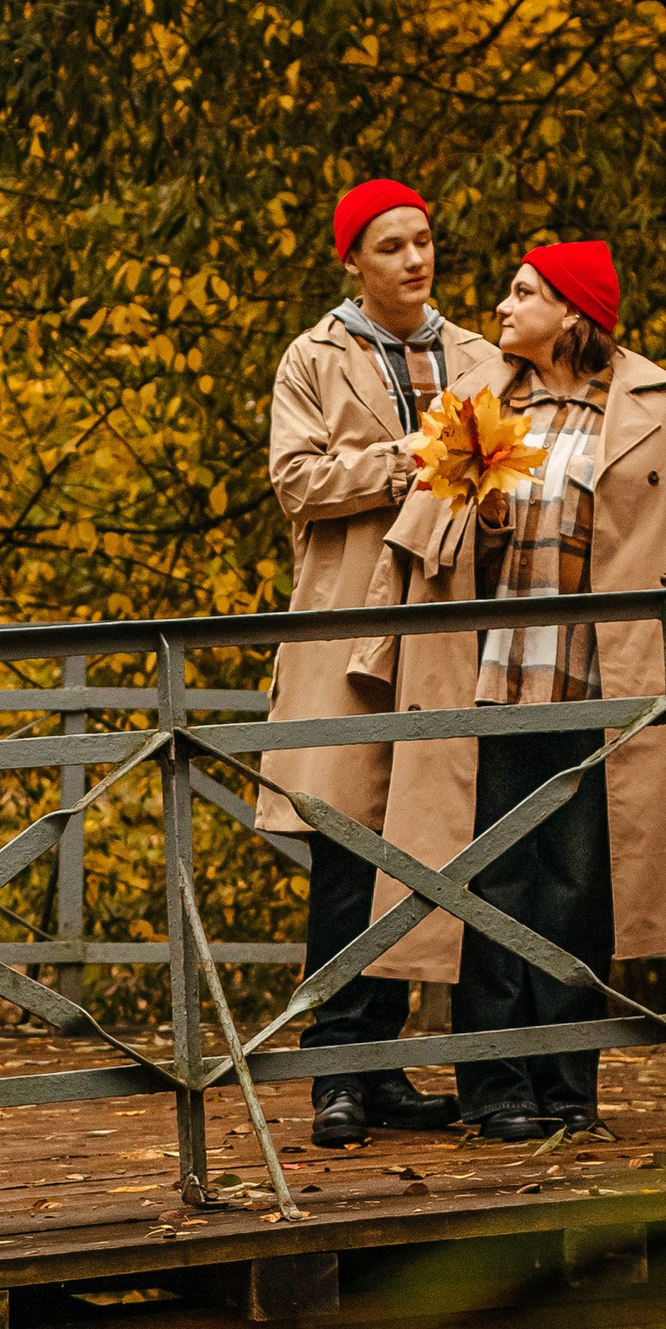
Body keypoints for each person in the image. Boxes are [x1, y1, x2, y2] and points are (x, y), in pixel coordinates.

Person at [376, 236, 666, 1139]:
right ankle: (493, 1087)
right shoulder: (476, 404)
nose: (502, 307)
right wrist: (480, 515)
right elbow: (422, 544)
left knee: (579, 886)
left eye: (522, 292)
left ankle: (566, 1088)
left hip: (603, 680)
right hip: (495, 675)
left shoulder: (654, 406)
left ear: (572, 311)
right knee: (488, 880)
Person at [258, 179, 490, 1147]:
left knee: (439, 848)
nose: (414, 259)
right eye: (390, 245)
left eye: (423, 241)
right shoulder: (311, 358)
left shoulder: (478, 354)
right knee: (349, 851)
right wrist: (406, 457)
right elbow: (298, 483)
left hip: (457, 629)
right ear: (351, 260)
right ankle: (339, 1075)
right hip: (351, 624)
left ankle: (392, 1070)